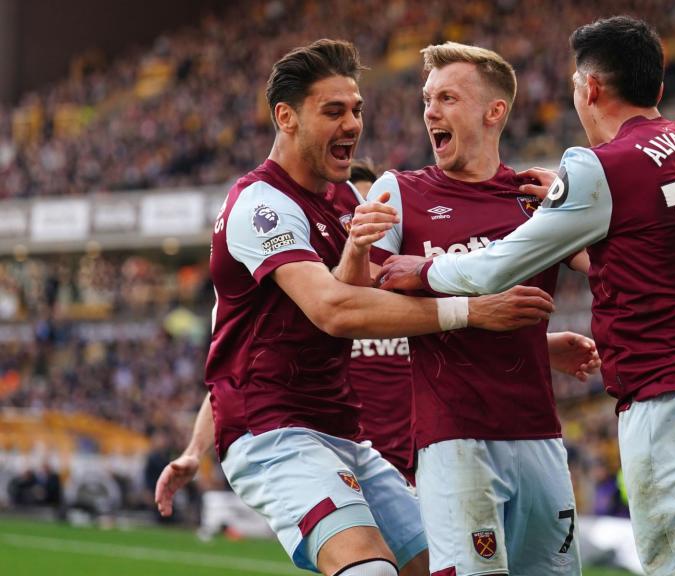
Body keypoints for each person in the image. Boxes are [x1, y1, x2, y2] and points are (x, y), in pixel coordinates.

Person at [379, 17, 675, 576]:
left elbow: (498, 265)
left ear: (590, 89)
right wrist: (580, 206)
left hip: (673, 407)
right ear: (658, 90)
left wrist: (422, 270)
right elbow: (656, 239)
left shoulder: (596, 167)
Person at [153, 39, 555, 576]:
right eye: (334, 111)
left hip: (343, 432)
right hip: (272, 430)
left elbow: (367, 303)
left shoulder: (345, 204)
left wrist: (538, 343)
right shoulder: (261, 204)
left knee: (442, 569)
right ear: (286, 117)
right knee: (368, 570)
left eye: (357, 109)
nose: (352, 124)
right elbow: (336, 312)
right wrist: (472, 311)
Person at [343, 42, 599, 576]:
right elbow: (356, 301)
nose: (430, 111)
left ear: (494, 111)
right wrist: (358, 254)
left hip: (538, 434)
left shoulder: (535, 198)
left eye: (447, 98)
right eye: (427, 99)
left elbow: (608, 269)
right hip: (452, 436)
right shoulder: (399, 192)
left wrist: (580, 212)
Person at [347, 159, 416, 484]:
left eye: (374, 207)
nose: (365, 219)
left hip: (422, 468)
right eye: (355, 211)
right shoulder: (320, 297)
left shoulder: (415, 282)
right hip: (350, 468)